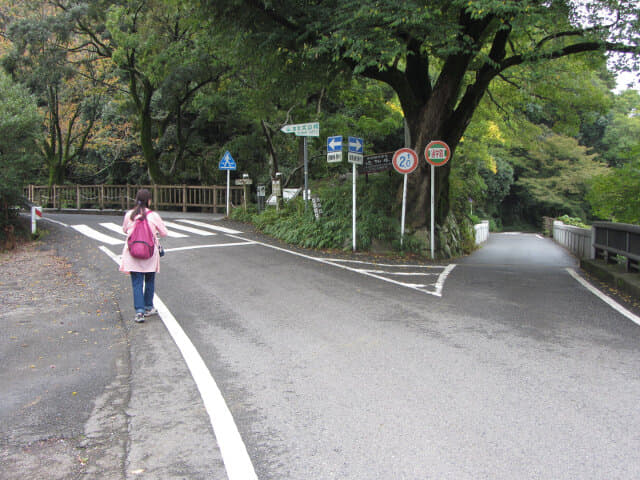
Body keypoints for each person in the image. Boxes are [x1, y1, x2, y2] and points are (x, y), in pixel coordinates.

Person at [119, 189, 168, 323]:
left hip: (132, 252)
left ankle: (139, 312)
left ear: (136, 200)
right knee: (150, 281)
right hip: (150, 253)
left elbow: (124, 230)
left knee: (137, 283)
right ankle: (148, 307)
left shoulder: (129, 214)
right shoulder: (153, 215)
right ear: (149, 201)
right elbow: (164, 233)